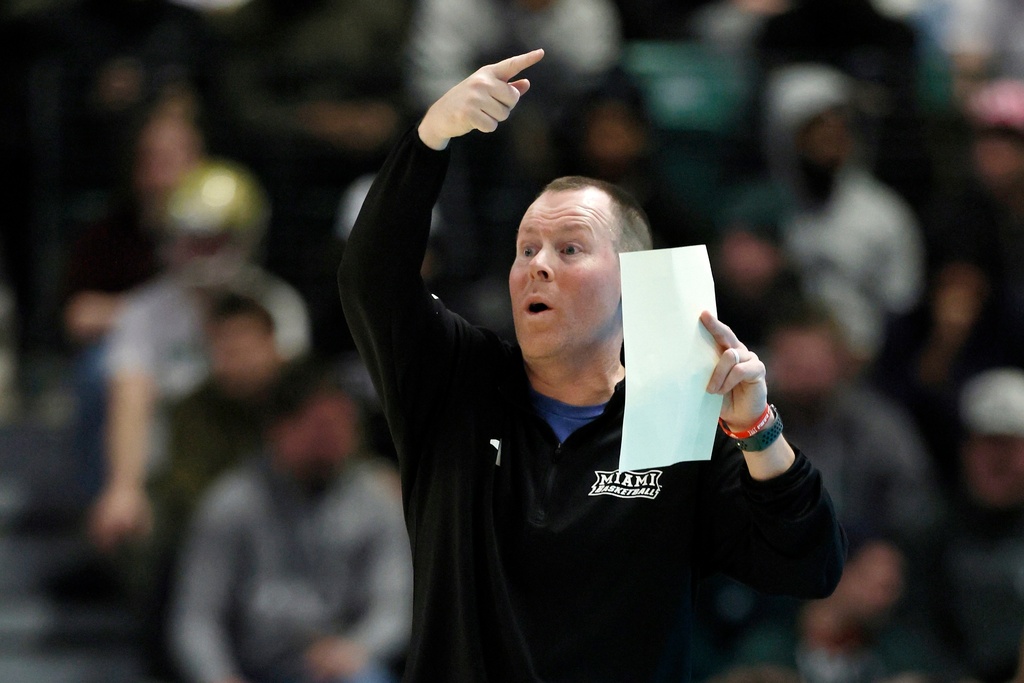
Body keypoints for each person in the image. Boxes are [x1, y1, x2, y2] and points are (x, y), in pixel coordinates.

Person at [338, 49, 846, 681]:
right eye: (526, 248)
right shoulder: (457, 382)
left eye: (569, 247)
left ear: (635, 284)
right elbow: (371, 280)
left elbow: (810, 567)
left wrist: (760, 433)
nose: (537, 265)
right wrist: (430, 137)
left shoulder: (677, 425)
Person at [88, 159, 311, 555]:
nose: (203, 254)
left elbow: (293, 403)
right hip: (177, 478)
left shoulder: (279, 306)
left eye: (216, 240)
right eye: (192, 239)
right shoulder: (143, 312)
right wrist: (124, 487)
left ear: (246, 237)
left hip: (266, 472)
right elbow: (130, 400)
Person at [168, 358, 411, 683]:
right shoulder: (231, 504)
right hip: (253, 670)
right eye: (321, 425)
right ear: (279, 428)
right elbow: (196, 619)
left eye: (344, 425)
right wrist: (218, 675)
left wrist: (356, 649)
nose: (335, 439)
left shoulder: (378, 500)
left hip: (341, 667)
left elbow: (395, 606)